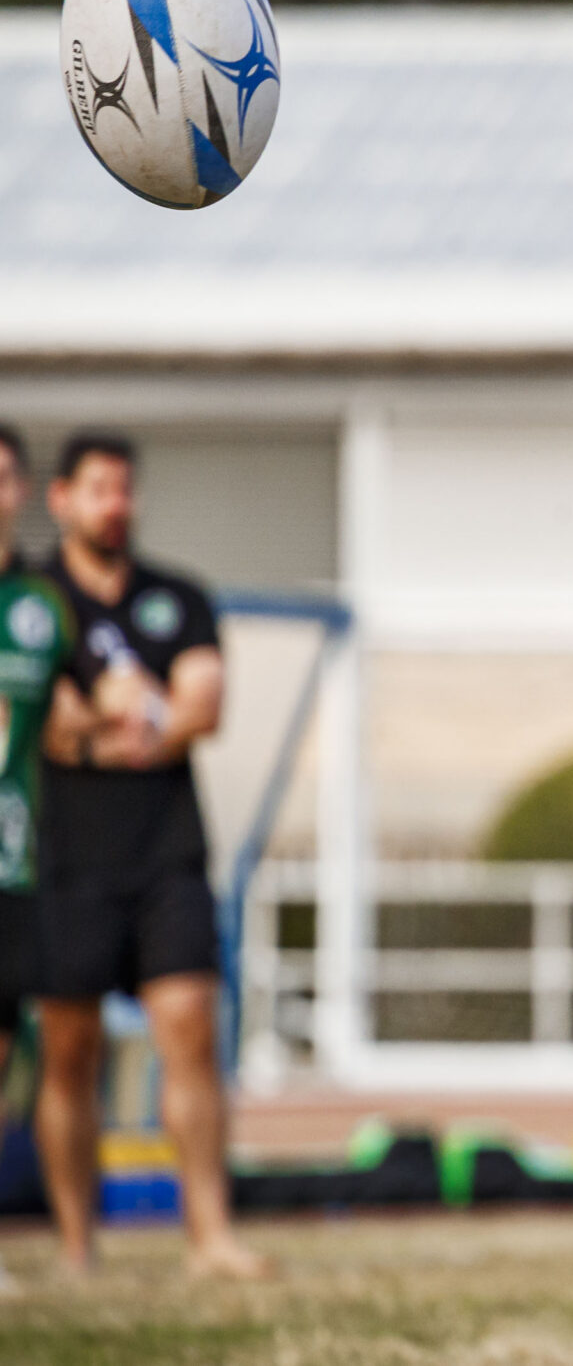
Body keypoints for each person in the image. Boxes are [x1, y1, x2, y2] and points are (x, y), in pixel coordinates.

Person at [34, 430, 267, 1279]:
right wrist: (106, 720)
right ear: (60, 499)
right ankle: (73, 1244)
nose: (116, 505)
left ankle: (210, 1235)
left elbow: (202, 705)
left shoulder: (180, 596)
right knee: (69, 1051)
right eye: (99, 489)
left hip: (165, 852)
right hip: (66, 856)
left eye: (125, 489)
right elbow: (47, 723)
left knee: (190, 1030)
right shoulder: (31, 599)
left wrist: (132, 714)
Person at [0, 426, 91, 1292]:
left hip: (15, 866)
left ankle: (57, 1247)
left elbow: (70, 714)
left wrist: (110, 716)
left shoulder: (41, 606)